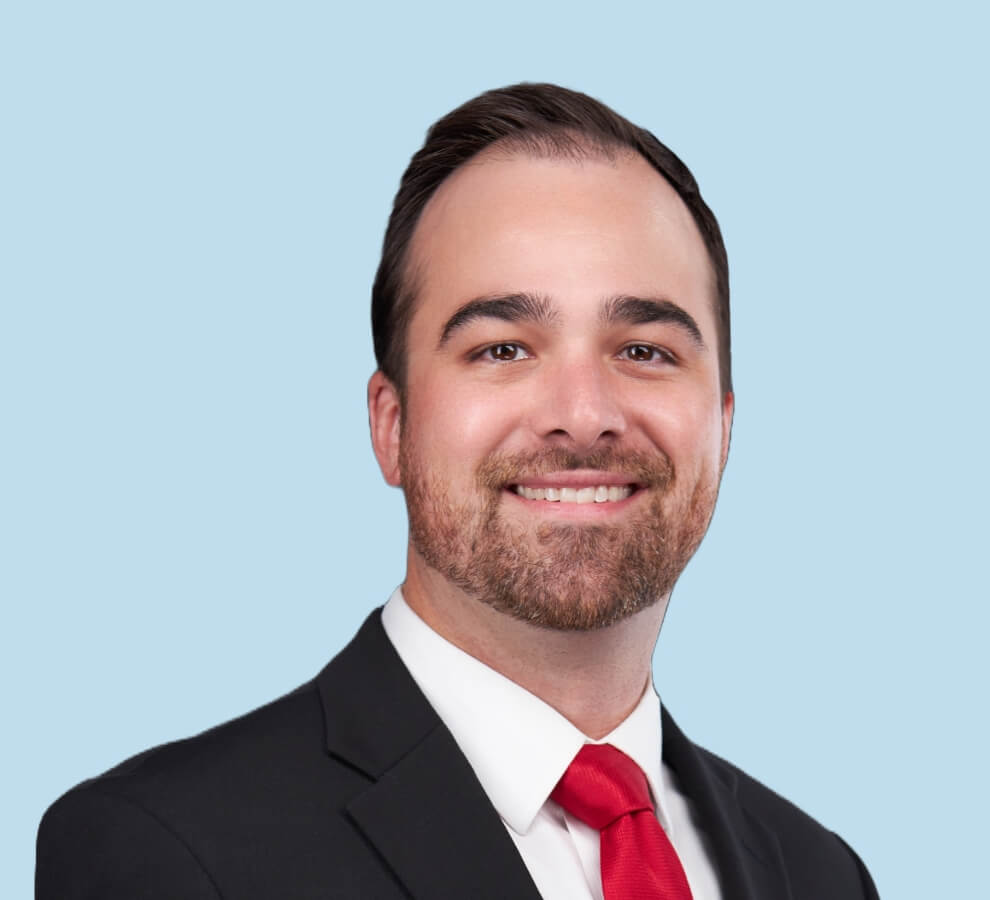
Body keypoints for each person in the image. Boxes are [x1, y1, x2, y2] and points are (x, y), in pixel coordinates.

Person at [36, 83, 879, 899]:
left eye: (646, 350)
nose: (583, 417)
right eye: (503, 349)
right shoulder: (165, 854)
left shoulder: (819, 874)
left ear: (724, 427)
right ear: (391, 425)